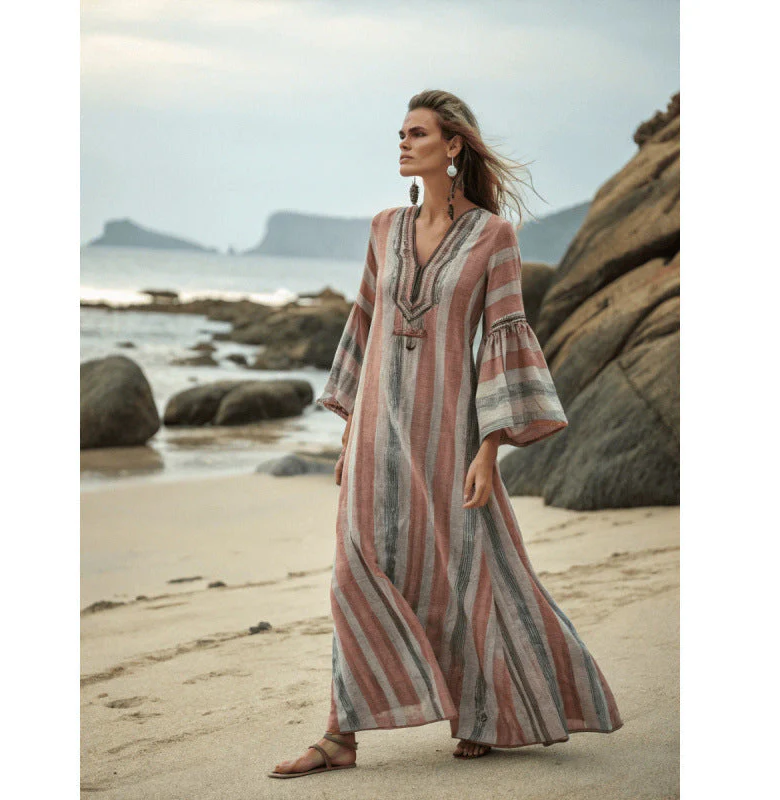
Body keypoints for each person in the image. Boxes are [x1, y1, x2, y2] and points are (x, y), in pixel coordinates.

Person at [268, 89, 623, 779]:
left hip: (448, 437)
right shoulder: (383, 229)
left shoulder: (494, 237)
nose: (403, 143)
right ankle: (340, 735)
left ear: (452, 145)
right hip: (375, 433)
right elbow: (365, 325)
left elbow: (503, 337)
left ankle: (483, 712)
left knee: (460, 573)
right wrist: (348, 435)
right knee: (352, 573)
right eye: (401, 134)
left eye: (418, 133)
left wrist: (490, 449)